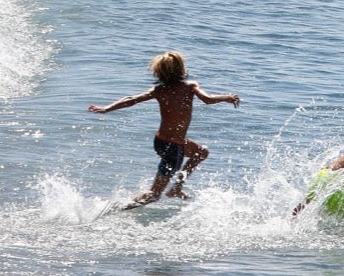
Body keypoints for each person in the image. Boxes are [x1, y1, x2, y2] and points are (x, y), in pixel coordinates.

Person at [89, 50, 240, 204]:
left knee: (200, 153)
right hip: (173, 148)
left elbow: (132, 99)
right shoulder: (189, 86)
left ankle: (176, 188)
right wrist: (226, 98)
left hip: (162, 142)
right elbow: (207, 99)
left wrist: (107, 108)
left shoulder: (159, 90)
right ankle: (119, 209)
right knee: (154, 195)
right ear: (181, 69)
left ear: (159, 73)